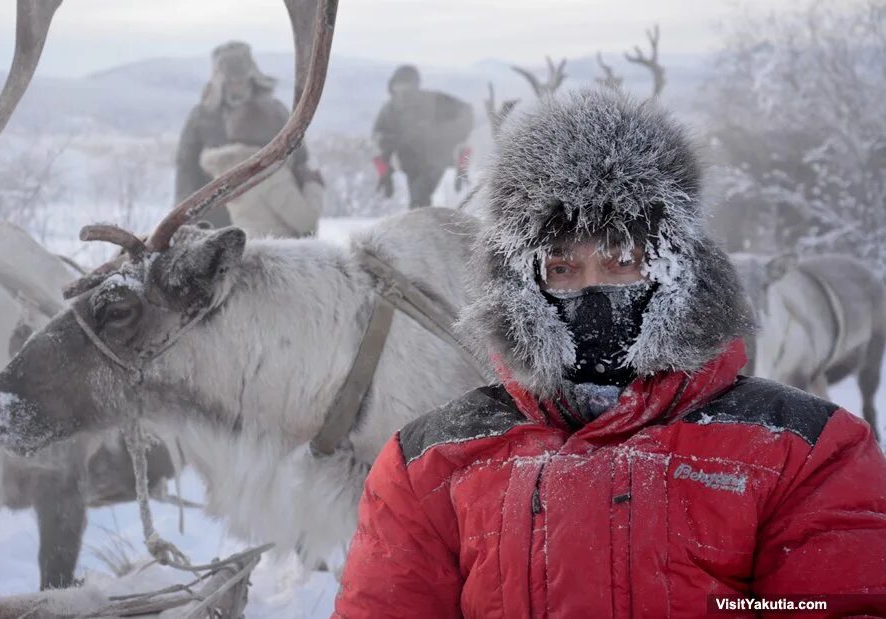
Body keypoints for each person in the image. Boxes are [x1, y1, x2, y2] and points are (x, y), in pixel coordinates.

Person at [334, 89, 886, 617]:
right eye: (561, 267)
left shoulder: (805, 451)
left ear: (678, 269)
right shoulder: (429, 461)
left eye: (623, 261)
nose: (592, 289)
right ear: (520, 287)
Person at [174, 41, 323, 237]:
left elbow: (299, 156)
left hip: (274, 214)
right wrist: (183, 219)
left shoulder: (273, 111)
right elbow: (186, 168)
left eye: (241, 81)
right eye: (231, 82)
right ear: (220, 82)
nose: (236, 87)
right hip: (213, 219)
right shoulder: (202, 117)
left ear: (251, 78)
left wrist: (305, 189)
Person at [372, 65, 474, 208]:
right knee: (418, 202)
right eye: (399, 85)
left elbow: (466, 113)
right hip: (410, 164)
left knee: (418, 201)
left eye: (407, 84)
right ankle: (423, 218)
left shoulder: (434, 101)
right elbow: (379, 141)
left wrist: (447, 136)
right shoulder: (390, 110)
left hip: (435, 160)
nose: (403, 90)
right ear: (393, 86)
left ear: (416, 84)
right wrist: (384, 172)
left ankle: (421, 218)